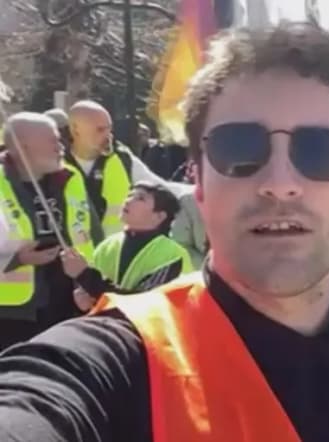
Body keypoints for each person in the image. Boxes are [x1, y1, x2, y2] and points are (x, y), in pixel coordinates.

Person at [0, 23, 329, 442]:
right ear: (198, 184)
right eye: (238, 148)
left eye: (321, 150)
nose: (280, 183)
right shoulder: (118, 361)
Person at [0, 112, 99, 350]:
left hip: (67, 303)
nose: (60, 146)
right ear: (23, 146)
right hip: (12, 314)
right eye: (52, 140)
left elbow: (93, 235)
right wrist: (18, 259)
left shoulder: (70, 178)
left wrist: (89, 281)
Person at [65, 100, 190, 238]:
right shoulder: (55, 162)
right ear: (75, 130)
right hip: (74, 250)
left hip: (114, 249)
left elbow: (159, 187)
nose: (108, 135)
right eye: (100, 130)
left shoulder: (122, 158)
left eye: (109, 129)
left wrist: (193, 194)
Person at [60, 182, 192, 308]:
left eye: (140, 198)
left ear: (159, 217)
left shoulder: (172, 255)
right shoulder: (107, 246)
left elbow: (143, 305)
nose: (128, 201)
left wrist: (85, 276)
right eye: (130, 195)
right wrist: (84, 301)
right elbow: (92, 295)